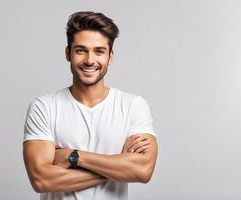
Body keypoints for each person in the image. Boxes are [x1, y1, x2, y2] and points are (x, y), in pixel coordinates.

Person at [23, 11, 158, 200]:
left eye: (99, 51)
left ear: (110, 57)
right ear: (68, 53)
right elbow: (41, 180)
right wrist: (119, 168)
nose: (89, 60)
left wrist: (74, 156)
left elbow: (143, 170)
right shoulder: (44, 107)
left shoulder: (133, 106)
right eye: (81, 50)